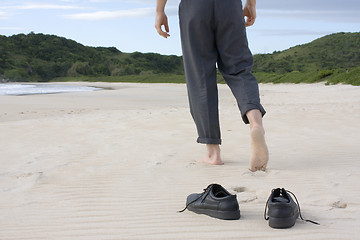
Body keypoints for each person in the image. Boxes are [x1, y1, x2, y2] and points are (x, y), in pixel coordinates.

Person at [155, 0, 268, 171]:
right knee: (239, 69)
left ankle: (213, 153)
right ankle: (255, 122)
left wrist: (159, 11)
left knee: (200, 75)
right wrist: (251, 4)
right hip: (229, 6)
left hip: (194, 7)